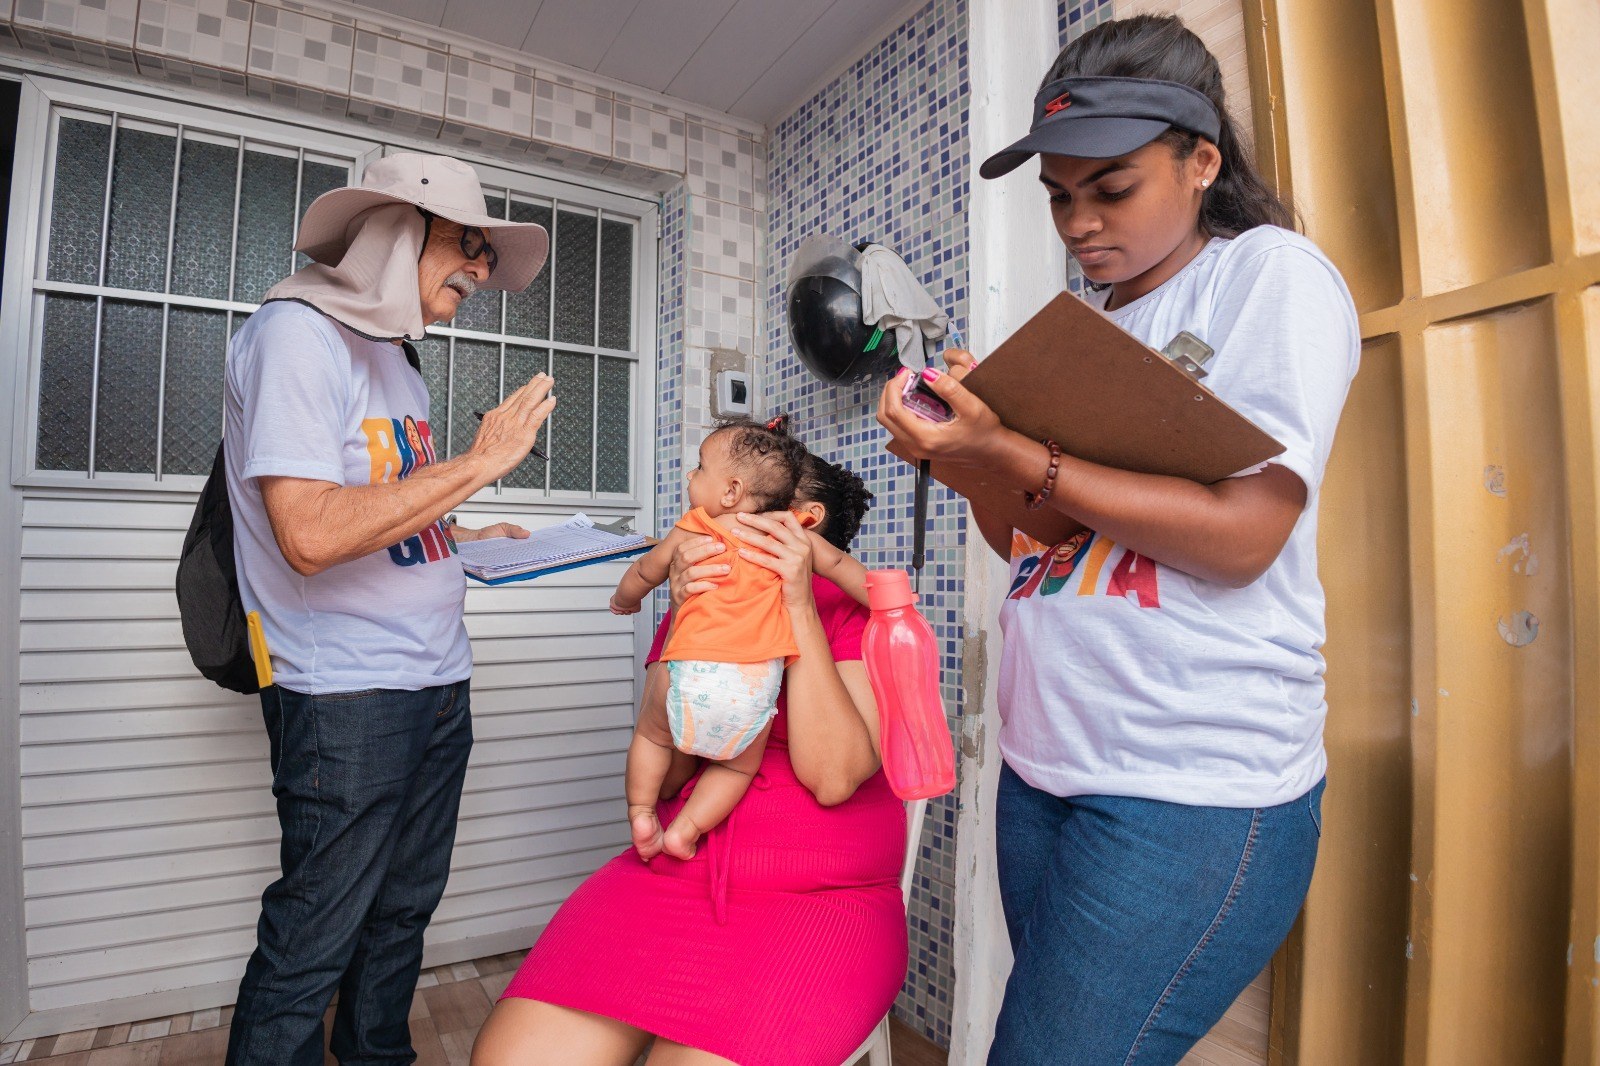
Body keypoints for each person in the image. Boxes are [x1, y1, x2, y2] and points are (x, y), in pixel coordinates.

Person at [877, 15, 1359, 1065]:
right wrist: (961, 452)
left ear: (1199, 162)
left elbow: (1242, 539)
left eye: (1111, 189)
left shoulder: (1264, 276)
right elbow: (1041, 547)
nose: (1078, 223)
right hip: (1045, 767)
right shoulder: (1088, 324)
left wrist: (1018, 453)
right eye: (1059, 196)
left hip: (1186, 786)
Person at [223, 152, 556, 1066]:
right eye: (469, 245)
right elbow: (312, 534)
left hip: (436, 679)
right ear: (397, 232)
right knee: (314, 939)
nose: (482, 270)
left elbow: (382, 509)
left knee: (401, 912)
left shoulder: (394, 358)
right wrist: (479, 462)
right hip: (346, 696)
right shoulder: (298, 335)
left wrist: (464, 530)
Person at [472, 445, 906, 1066]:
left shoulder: (857, 617)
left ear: (801, 523)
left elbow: (833, 779)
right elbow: (673, 765)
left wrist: (797, 608)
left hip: (822, 896)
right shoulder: (704, 600)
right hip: (676, 872)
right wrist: (685, 619)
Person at [609, 420, 867, 863]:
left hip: (803, 850)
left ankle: (643, 813)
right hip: (745, 697)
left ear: (807, 516)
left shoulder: (694, 532)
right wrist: (678, 611)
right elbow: (848, 568)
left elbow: (833, 782)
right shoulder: (696, 578)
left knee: (654, 742)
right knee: (736, 765)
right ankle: (684, 829)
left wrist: (623, 600)